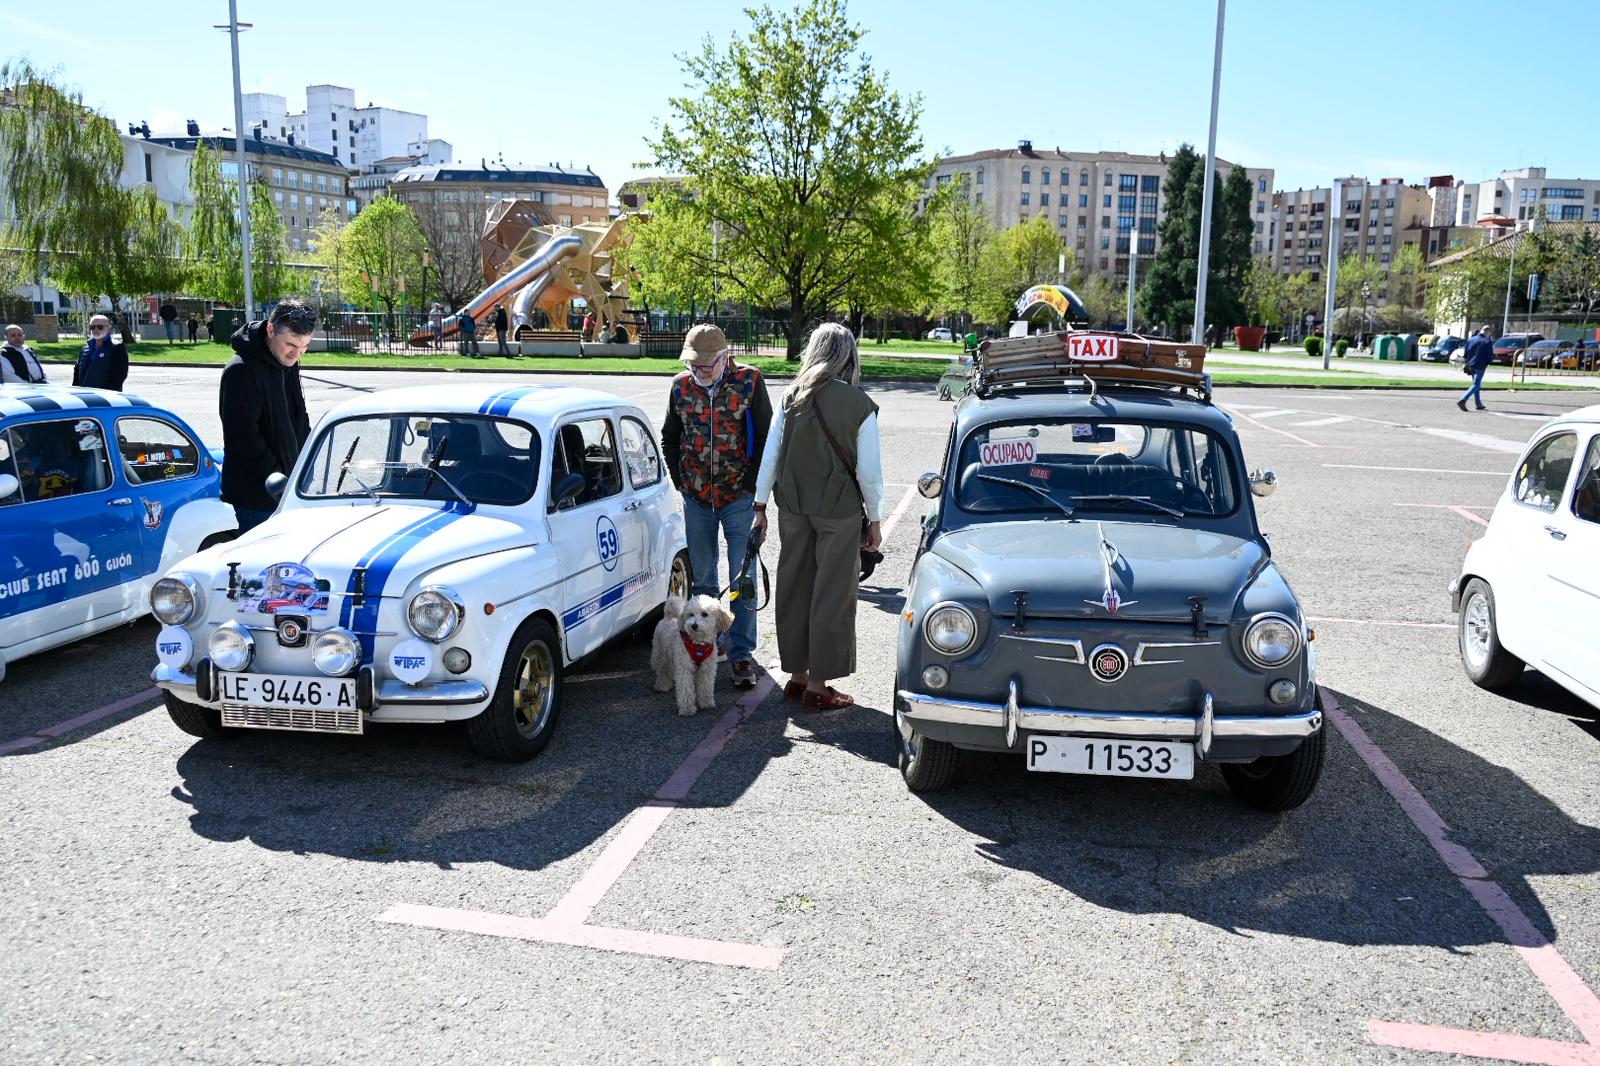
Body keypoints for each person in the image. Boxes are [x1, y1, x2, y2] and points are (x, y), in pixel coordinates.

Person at [752, 323, 884, 711]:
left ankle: (796, 676)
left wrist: (760, 506)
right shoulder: (858, 404)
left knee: (794, 587)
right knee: (832, 595)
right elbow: (870, 473)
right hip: (838, 512)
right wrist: (874, 519)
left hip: (792, 508)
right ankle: (820, 684)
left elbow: (770, 456)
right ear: (848, 355)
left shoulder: (791, 397)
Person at [661, 323, 773, 689]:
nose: (700, 371)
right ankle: (706, 647)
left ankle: (741, 654)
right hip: (696, 498)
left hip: (738, 498)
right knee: (704, 578)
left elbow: (768, 437)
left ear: (726, 357)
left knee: (744, 579)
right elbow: (670, 436)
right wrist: (682, 482)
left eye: (707, 364)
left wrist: (754, 491)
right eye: (694, 364)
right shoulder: (680, 386)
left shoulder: (750, 382)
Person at [219, 300, 315, 533]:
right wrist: (281, 480)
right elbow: (243, 441)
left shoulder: (287, 362)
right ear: (270, 330)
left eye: (304, 347)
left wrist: (308, 464)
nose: (297, 353)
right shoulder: (240, 370)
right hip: (257, 496)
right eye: (291, 344)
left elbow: (299, 418)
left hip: (290, 489)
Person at [73, 315, 128, 391]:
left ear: (109, 329)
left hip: (106, 397)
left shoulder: (117, 347)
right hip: (84, 395)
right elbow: (77, 372)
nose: (96, 330)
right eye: (92, 327)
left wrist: (106, 394)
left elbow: (119, 376)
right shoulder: (85, 349)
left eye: (100, 327)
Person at [1457, 325, 1495, 412]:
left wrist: (1467, 361)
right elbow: (1489, 355)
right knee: (1476, 384)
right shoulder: (1487, 341)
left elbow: (1466, 353)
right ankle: (1463, 400)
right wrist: (1489, 361)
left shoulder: (1471, 339)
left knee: (1476, 384)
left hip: (1470, 364)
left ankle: (1478, 403)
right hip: (1480, 365)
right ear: (1488, 332)